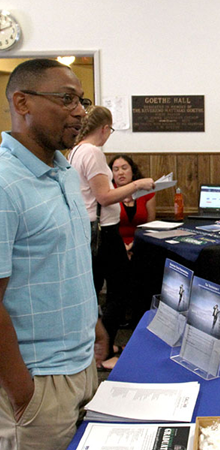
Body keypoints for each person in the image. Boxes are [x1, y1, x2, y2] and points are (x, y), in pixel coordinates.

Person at [0, 59, 108, 450]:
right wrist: (22, 392)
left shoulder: (63, 170)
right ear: (22, 102)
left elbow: (67, 262)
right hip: (35, 381)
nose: (80, 112)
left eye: (81, 100)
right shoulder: (4, 183)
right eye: (66, 100)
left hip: (82, 367)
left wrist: (92, 321)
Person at [68, 107, 155, 369]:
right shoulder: (92, 152)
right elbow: (104, 197)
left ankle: (95, 348)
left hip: (87, 230)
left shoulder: (75, 150)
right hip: (103, 233)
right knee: (120, 290)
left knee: (93, 290)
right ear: (104, 128)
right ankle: (102, 354)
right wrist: (137, 185)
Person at [109, 154, 156, 257]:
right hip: (114, 245)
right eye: (116, 169)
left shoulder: (146, 192)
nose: (120, 172)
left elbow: (150, 226)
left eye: (124, 168)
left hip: (141, 243)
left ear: (132, 171)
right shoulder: (108, 194)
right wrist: (123, 247)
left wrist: (134, 245)